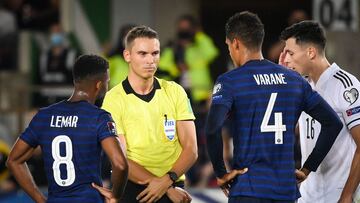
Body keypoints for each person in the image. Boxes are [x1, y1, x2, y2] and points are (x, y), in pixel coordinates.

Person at [206, 11, 343, 203]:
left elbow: (212, 129)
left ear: (235, 43)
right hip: (285, 191)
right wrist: (307, 168)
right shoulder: (294, 80)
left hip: (248, 190)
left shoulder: (230, 81)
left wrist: (221, 173)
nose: (229, 51)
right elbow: (332, 124)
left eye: (228, 46)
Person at [6, 54, 128, 203]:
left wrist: (40, 200)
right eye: (107, 82)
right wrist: (115, 195)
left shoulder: (44, 116)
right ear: (99, 85)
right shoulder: (99, 117)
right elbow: (120, 165)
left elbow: (13, 160)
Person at [101, 25, 197, 203]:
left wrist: (167, 182)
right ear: (127, 56)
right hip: (132, 189)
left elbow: (191, 149)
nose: (150, 60)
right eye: (143, 54)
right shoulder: (113, 99)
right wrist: (164, 187)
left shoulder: (175, 91)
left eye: (155, 53)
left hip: (173, 183)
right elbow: (120, 159)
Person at [279, 21, 360, 203]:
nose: (287, 59)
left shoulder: (346, 86)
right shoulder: (303, 88)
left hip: (337, 195)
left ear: (310, 52)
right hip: (307, 195)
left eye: (291, 53)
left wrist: (347, 195)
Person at [158, 14, 218, 104]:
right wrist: (176, 69)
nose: (184, 31)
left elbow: (212, 53)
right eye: (181, 28)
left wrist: (199, 34)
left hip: (201, 97)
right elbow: (161, 67)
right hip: (178, 97)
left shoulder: (198, 48)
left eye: (187, 28)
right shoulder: (172, 48)